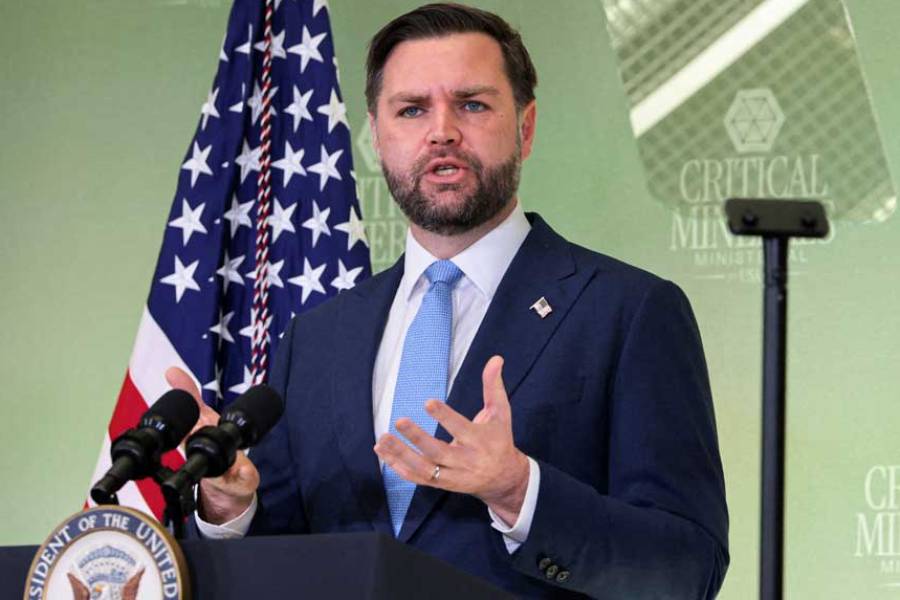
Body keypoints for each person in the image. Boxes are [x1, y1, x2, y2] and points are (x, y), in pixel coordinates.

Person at [167, 3, 729, 597]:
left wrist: (519, 490)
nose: (442, 132)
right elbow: (286, 557)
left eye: (472, 104)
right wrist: (229, 508)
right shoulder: (319, 337)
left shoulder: (628, 313)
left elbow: (687, 567)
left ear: (525, 128)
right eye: (412, 109)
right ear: (377, 136)